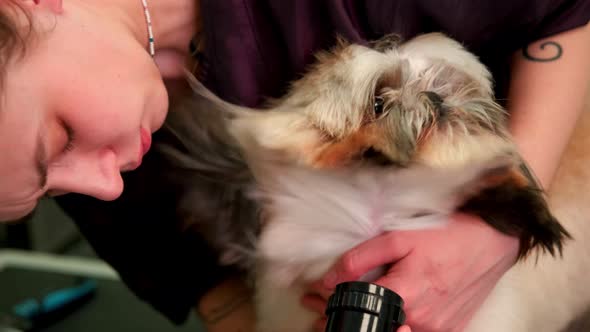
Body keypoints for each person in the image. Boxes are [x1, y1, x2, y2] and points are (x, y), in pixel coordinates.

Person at [0, 0, 588, 331]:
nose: (101, 188)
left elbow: (568, 9)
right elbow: (204, 283)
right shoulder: (80, 142)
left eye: (61, 138)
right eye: (46, 191)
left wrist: (508, 214)